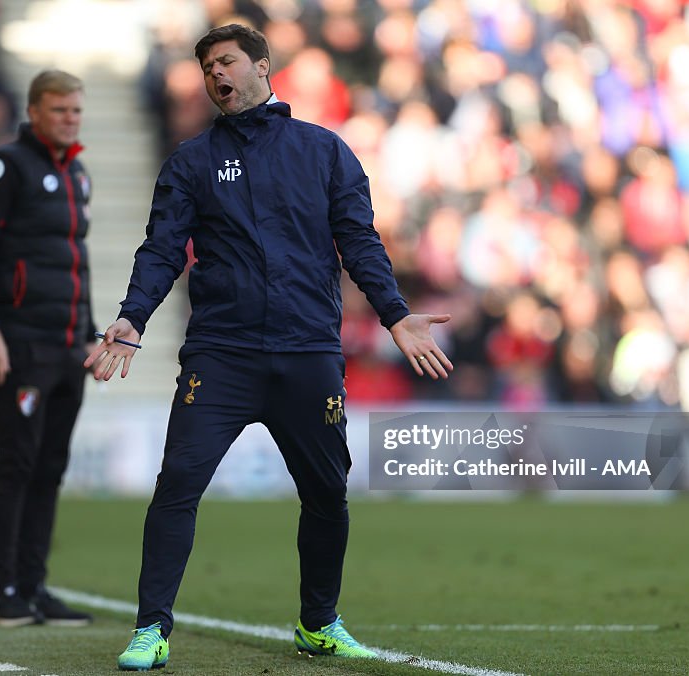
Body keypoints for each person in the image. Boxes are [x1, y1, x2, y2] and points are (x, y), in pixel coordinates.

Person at [86, 24, 453, 670]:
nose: (214, 75)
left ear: (262, 65)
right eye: (205, 68)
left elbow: (360, 244)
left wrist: (396, 315)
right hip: (222, 355)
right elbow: (163, 249)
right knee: (178, 485)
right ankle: (151, 629)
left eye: (225, 61)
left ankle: (319, 623)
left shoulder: (325, 152)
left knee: (327, 493)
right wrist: (132, 318)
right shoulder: (191, 162)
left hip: (308, 351)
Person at [0, 69, 96, 628]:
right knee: (16, 463)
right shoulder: (5, 167)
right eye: (60, 110)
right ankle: (2, 594)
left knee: (50, 468)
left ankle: (34, 587)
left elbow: (74, 263)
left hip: (68, 345)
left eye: (76, 110)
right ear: (35, 111)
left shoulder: (78, 175)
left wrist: (88, 331)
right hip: (20, 342)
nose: (70, 119)